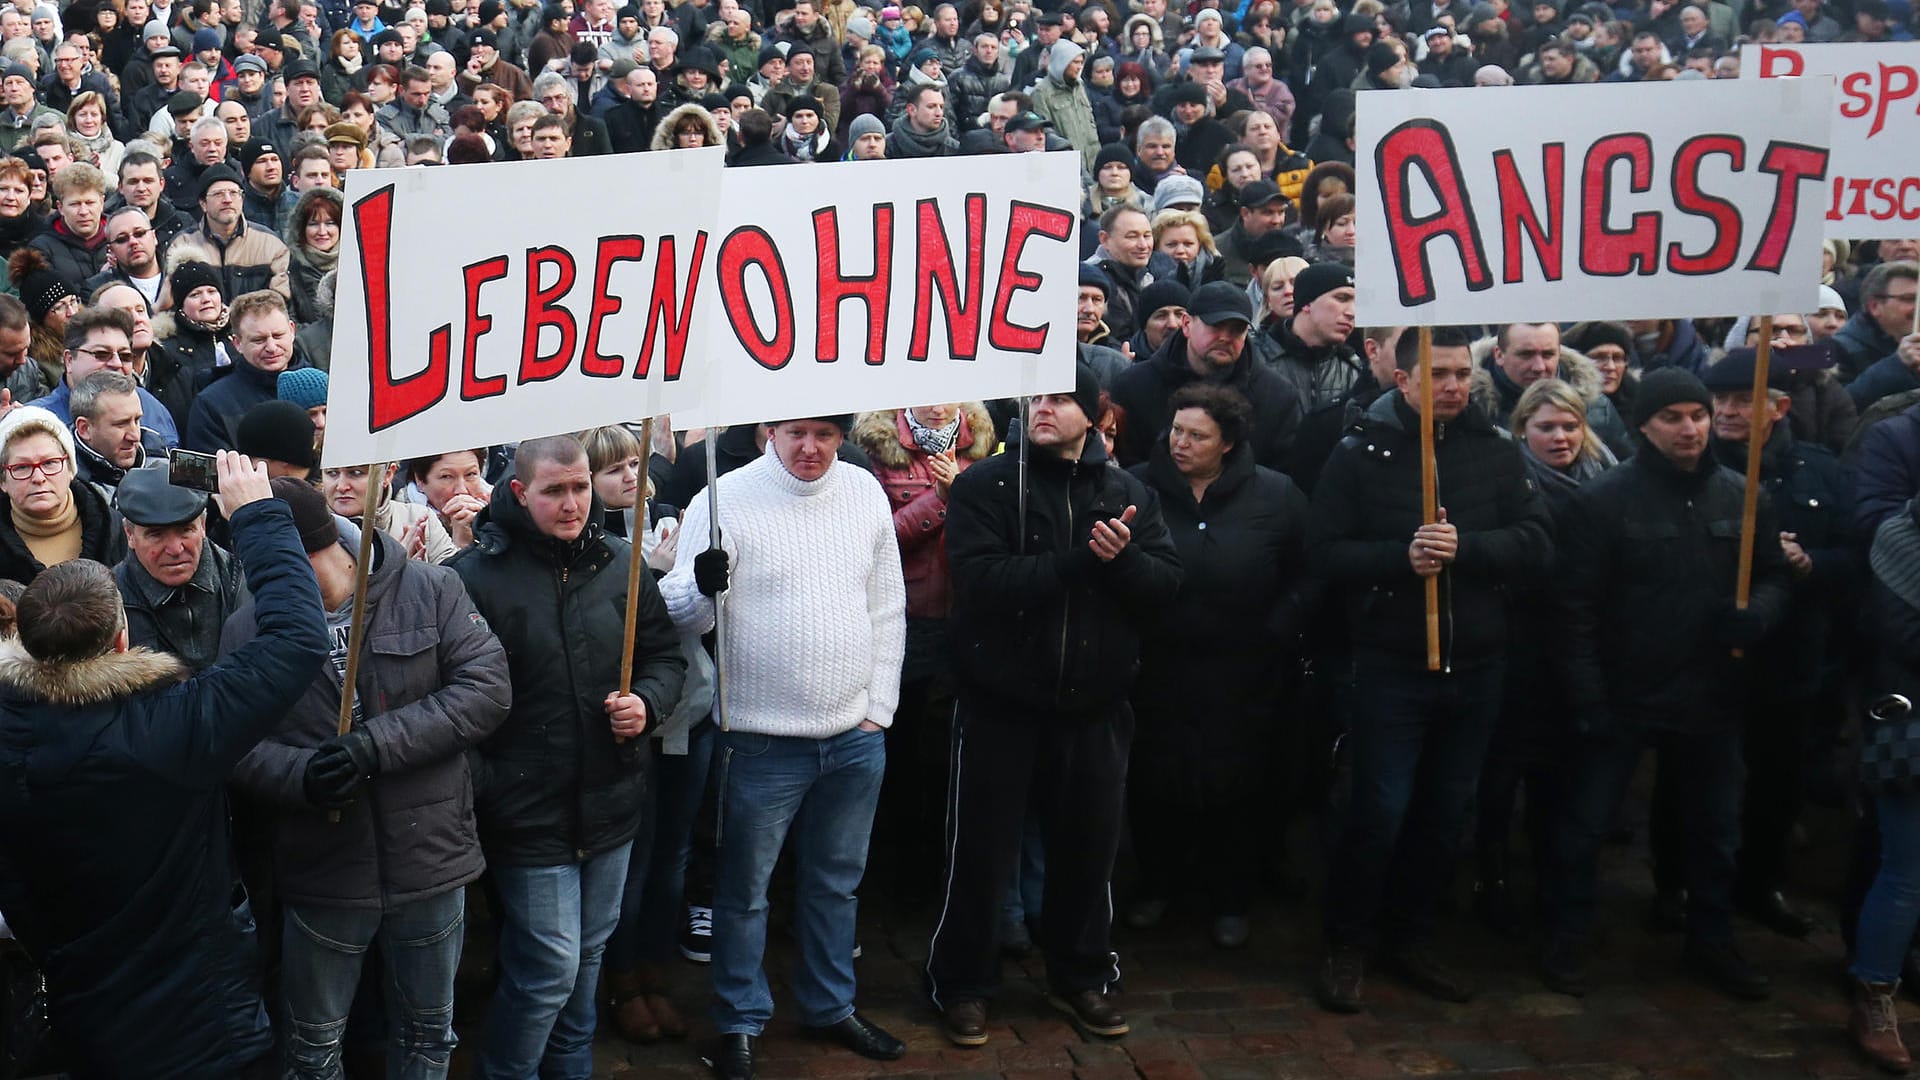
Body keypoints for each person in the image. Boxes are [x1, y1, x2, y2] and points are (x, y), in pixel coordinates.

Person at [0, 449, 327, 1078]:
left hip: (86, 1012)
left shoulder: (15, 730)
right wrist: (258, 513)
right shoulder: (168, 731)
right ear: (123, 639)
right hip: (199, 1023)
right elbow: (295, 638)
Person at [927, 361, 1181, 1046]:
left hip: (1095, 707)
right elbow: (979, 582)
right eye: (1036, 396)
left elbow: (1165, 586)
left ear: (1093, 412)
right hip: (1001, 704)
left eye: (1060, 398)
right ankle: (964, 984)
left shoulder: (1128, 490)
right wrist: (1081, 562)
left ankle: (1083, 977)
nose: (1044, 408)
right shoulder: (987, 485)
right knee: (980, 854)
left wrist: (1122, 561)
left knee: (1087, 853)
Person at [227, 476, 512, 1080]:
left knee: (428, 1034)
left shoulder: (432, 588)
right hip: (324, 873)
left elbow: (486, 691)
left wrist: (373, 746)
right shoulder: (248, 627)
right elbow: (236, 745)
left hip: (429, 860)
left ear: (304, 551)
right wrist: (301, 775)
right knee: (311, 1047)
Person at [1310, 324, 1551, 1013]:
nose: (1452, 386)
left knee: (1447, 811)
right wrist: (1399, 558)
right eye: (1437, 374)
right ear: (1401, 379)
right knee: (1379, 808)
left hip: (1477, 661)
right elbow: (1324, 551)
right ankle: (1348, 939)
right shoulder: (1360, 453)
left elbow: (1537, 541)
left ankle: (1413, 936)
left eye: (1459, 373)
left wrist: (1466, 548)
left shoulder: (1495, 450)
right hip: (1391, 661)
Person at [659, 414, 908, 1080]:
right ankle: (739, 1019)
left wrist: (878, 708)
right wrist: (700, 584)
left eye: (825, 434)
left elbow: (886, 605)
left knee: (836, 885)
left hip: (852, 737)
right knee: (743, 891)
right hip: (760, 737)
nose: (810, 447)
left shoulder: (862, 490)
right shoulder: (723, 495)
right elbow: (679, 615)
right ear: (770, 429)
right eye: (797, 432)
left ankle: (831, 1005)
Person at [1545, 367, 1792, 1001]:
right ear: (1644, 426)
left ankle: (1711, 938)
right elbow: (1573, 611)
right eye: (1674, 418)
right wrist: (1588, 698)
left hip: (1712, 693)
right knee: (1586, 826)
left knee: (1714, 830)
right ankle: (1568, 932)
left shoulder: (1744, 495)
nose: (1691, 429)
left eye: (1699, 415)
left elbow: (1772, 576)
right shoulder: (1600, 504)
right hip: (1624, 693)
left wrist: (1759, 613)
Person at [451, 434, 683, 1078]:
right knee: (550, 964)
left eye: (581, 486)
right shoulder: (472, 579)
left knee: (586, 957)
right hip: (526, 808)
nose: (573, 502)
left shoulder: (620, 562)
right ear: (521, 494)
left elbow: (663, 656)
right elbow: (445, 699)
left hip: (612, 797)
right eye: (555, 490)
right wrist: (489, 781)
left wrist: (649, 703)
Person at [1125, 382, 1311, 948]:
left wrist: (1278, 629)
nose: (1180, 443)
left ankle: (1231, 896)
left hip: (1245, 672)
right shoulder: (1136, 487)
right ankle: (1157, 885)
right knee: (1157, 783)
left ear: (1227, 443)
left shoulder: (1276, 496)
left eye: (1197, 435)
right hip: (1159, 668)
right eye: (1176, 430)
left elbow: (1310, 572)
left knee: (1238, 787)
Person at [1700, 350, 1858, 938]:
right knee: (1699, 781)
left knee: (1776, 780)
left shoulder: (1820, 471)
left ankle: (1759, 882)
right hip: (1711, 653)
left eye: (1744, 401)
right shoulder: (1698, 468)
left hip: (1791, 655)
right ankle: (1686, 884)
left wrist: (1808, 562)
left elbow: (1856, 557)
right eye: (1721, 402)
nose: (1728, 413)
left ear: (1780, 408)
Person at [1471, 377, 1614, 929]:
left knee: (1561, 773)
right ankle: (1492, 865)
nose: (1560, 438)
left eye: (1570, 426)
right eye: (1546, 427)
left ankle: (1549, 871)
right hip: (1518, 645)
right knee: (1503, 768)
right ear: (1521, 431)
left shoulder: (1606, 479)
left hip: (1579, 648)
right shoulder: (1508, 482)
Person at [1110, 280, 1301, 470]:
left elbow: (1281, 473)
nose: (1225, 337)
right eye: (1216, 326)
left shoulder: (1277, 396)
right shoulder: (1134, 387)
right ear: (1186, 324)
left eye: (1237, 329)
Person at [113, 459, 246, 673]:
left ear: (202, 526)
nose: (175, 549)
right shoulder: (110, 603)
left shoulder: (241, 581)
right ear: (129, 535)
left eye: (185, 530)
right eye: (156, 534)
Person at [0, 405, 124, 584]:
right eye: (22, 467)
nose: (38, 477)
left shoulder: (114, 528)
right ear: (3, 481)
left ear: (70, 469)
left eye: (50, 463)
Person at [1476, 320, 1633, 457]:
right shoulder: (1472, 409)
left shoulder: (1596, 407)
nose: (1539, 367)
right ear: (1499, 355)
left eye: (1547, 355)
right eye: (1526, 355)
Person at [185, 289, 308, 452]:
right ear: (237, 343)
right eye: (258, 340)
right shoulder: (212, 404)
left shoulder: (323, 388)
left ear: (292, 331)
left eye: (278, 336)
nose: (271, 347)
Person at [321, 460, 460, 563]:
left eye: (356, 473)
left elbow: (455, 588)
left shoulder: (419, 519)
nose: (341, 486)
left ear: (388, 474)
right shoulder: (307, 527)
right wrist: (396, 568)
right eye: (331, 473)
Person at [69, 369, 153, 496]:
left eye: (137, 420)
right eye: (121, 424)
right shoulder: (65, 480)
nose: (135, 436)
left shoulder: (160, 454)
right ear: (84, 429)